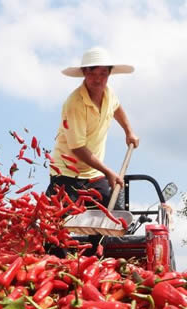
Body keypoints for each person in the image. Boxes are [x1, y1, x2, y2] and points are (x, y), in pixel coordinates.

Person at [47, 47, 140, 206]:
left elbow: (116, 107)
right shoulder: (75, 103)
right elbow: (78, 148)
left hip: (93, 174)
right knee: (60, 221)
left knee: (112, 217)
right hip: (66, 173)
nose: (97, 80)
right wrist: (108, 172)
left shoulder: (108, 93)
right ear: (84, 73)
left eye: (103, 74)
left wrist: (129, 132)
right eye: (92, 74)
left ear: (109, 74)